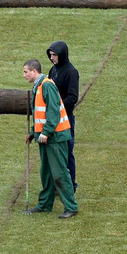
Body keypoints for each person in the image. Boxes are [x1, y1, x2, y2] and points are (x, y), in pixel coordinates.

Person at [22, 59, 79, 219]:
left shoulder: (46, 85)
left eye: (26, 72)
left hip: (55, 137)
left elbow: (53, 112)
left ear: (34, 71)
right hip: (45, 137)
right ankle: (45, 204)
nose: (24, 75)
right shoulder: (39, 86)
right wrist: (34, 132)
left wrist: (45, 132)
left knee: (60, 172)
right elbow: (40, 115)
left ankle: (71, 206)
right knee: (46, 172)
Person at [46, 41, 80, 190]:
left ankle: (70, 185)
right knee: (55, 153)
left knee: (67, 153)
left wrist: (56, 108)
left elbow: (73, 97)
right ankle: (57, 185)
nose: (52, 58)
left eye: (54, 55)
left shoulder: (71, 72)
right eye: (51, 55)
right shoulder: (53, 70)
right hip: (54, 119)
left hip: (65, 119)